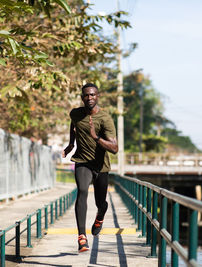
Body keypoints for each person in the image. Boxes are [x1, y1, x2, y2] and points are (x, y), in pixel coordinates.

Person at [62, 83, 118, 252]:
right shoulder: (75, 113)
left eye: (93, 95)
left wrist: (96, 137)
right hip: (82, 162)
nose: (90, 98)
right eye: (86, 95)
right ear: (82, 97)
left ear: (97, 96)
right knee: (82, 191)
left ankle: (100, 215)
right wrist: (71, 144)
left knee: (100, 202)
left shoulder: (105, 118)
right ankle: (82, 237)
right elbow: (74, 126)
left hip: (101, 166)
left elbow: (114, 148)